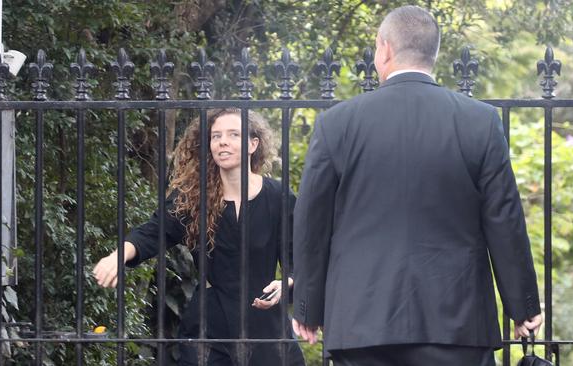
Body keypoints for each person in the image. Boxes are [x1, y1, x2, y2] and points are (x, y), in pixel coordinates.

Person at [291, 5, 543, 366]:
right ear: (434, 54)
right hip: (457, 321)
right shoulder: (480, 121)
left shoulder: (337, 123)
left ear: (385, 49)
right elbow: (504, 218)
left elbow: (311, 220)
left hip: (363, 320)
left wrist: (308, 307)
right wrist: (523, 306)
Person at [93, 108, 305, 366]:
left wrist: (287, 283)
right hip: (209, 326)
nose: (222, 141)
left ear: (253, 144)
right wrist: (118, 256)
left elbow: (298, 258)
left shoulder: (278, 196)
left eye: (233, 134)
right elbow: (153, 232)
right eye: (216, 136)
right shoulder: (192, 198)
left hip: (266, 325)